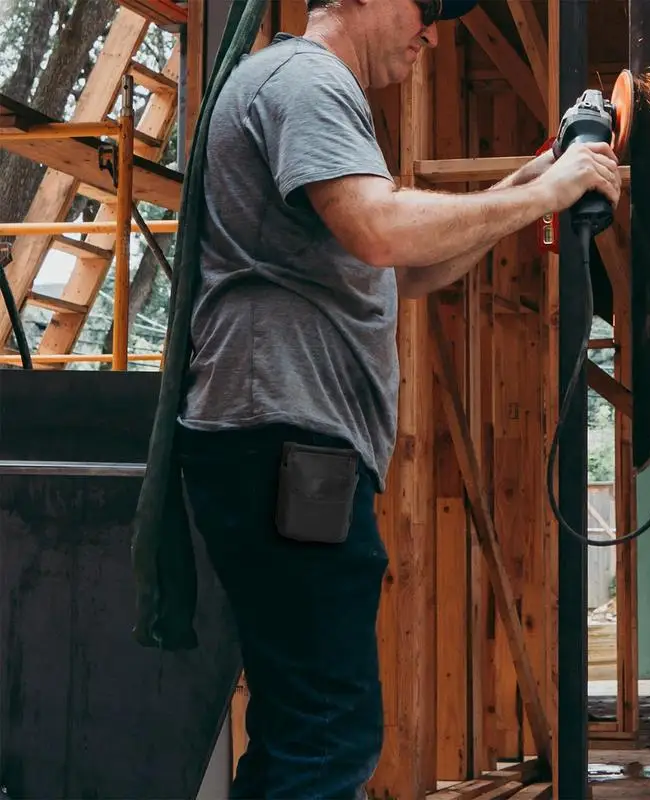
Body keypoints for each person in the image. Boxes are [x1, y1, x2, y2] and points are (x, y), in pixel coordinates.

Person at [176, 0, 622, 795]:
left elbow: (397, 270)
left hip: (279, 445)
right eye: (425, 8)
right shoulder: (305, 81)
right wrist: (546, 194)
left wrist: (525, 182)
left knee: (305, 724)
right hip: (285, 445)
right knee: (327, 734)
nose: (433, 31)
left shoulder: (299, 85)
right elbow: (381, 232)